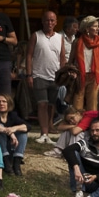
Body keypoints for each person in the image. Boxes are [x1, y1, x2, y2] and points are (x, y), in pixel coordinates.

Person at [26, 9, 68, 138]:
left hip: (54, 76)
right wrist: (29, 74)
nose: (49, 22)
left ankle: (48, 128)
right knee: (42, 104)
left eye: (52, 20)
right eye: (47, 20)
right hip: (39, 75)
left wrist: (63, 74)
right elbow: (29, 55)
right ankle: (44, 133)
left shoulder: (60, 37)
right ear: (42, 21)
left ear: (56, 22)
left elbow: (62, 57)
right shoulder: (36, 35)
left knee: (51, 105)